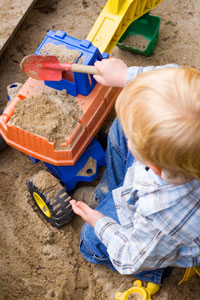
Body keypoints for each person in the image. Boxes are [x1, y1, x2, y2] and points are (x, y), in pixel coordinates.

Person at [70, 58, 200, 285]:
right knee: (123, 125)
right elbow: (175, 76)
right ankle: (109, 195)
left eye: (134, 143)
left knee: (90, 242)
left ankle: (155, 271)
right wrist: (126, 75)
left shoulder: (161, 215)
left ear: (154, 165)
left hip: (155, 240)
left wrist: (100, 221)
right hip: (164, 180)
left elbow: (130, 258)